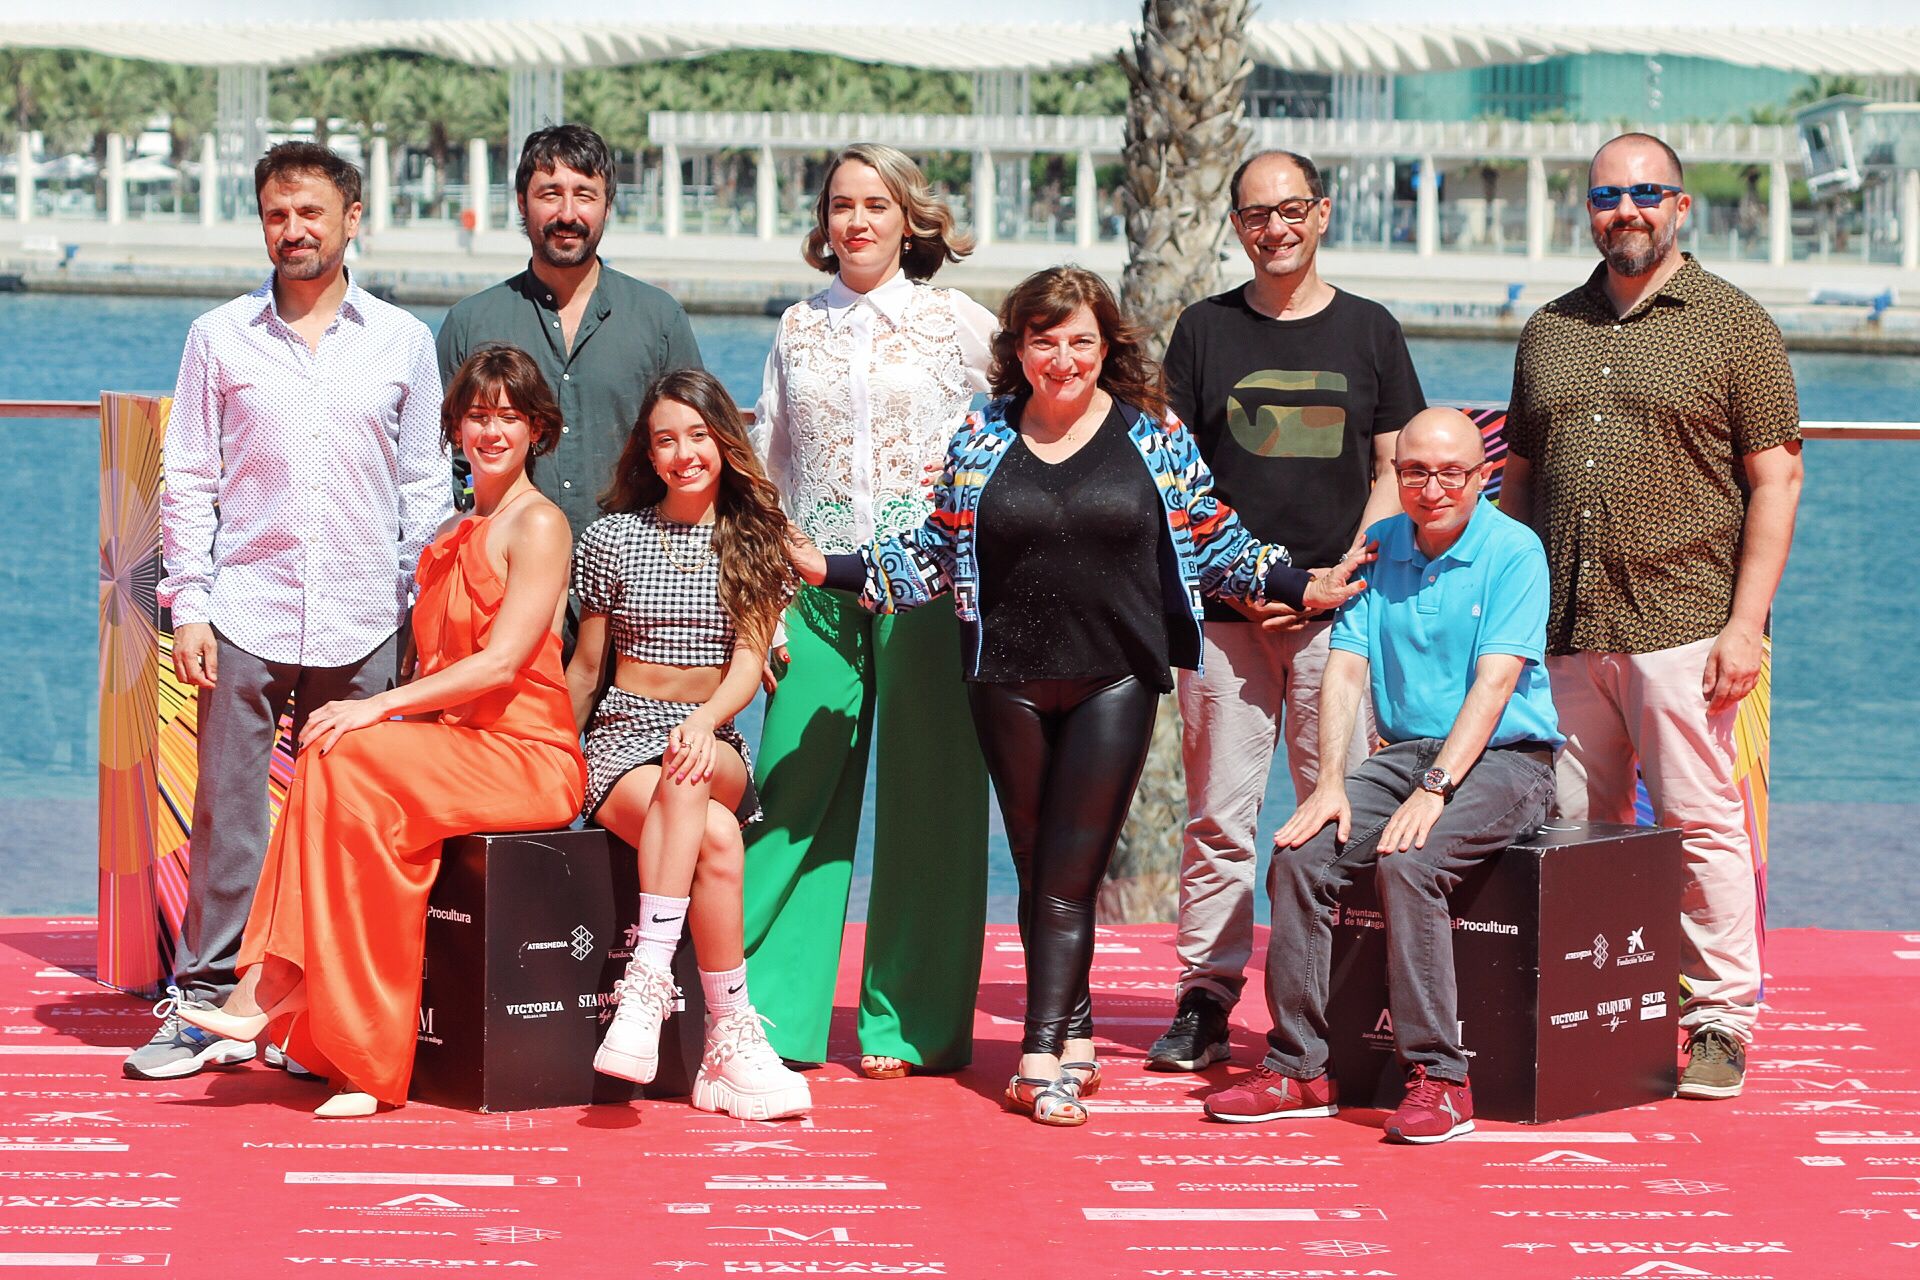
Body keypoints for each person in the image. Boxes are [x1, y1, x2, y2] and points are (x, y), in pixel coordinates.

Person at [786, 267, 1367, 1128]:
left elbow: (1212, 534)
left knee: (1068, 874)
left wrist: (1299, 583)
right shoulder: (981, 432)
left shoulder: (1153, 433)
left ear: (1108, 348)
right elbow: (933, 552)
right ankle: (1081, 1029)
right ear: (1019, 348)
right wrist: (826, 567)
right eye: (1045, 340)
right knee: (1036, 866)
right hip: (1005, 680)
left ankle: (1037, 1059)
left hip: (1116, 676)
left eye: (1081, 342)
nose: (1064, 359)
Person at [174, 347, 587, 1117]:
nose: (490, 431)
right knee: (333, 755)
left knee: (352, 740)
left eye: (508, 416)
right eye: (476, 414)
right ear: (455, 425)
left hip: (528, 755)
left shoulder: (539, 523)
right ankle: (336, 1036)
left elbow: (501, 666)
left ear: (538, 427)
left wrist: (378, 705)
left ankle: (283, 990)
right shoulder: (456, 528)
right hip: (458, 748)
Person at [128, 142, 451, 1083]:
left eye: (311, 212)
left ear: (353, 219)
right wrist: (189, 604)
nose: (293, 231)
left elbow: (427, 491)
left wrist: (416, 613)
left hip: (368, 617)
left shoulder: (402, 342)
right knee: (228, 814)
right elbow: (187, 477)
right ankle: (198, 1005)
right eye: (277, 214)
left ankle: (319, 1022)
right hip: (246, 610)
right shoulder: (217, 338)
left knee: (351, 822)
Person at [1500, 133, 1802, 1101]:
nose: (1625, 210)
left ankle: (1719, 1017)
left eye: (1645, 193)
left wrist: (1746, 622)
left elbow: (1778, 475)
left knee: (1700, 822)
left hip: (1685, 622)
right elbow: (1516, 477)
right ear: (1587, 208)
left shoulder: (1734, 324)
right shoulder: (1549, 327)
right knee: (1574, 827)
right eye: (1607, 195)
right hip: (1566, 625)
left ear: (1680, 205)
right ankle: (1596, 1007)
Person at [1202, 408, 1559, 1144]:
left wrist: (1436, 792)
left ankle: (1442, 1079)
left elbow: (1495, 685)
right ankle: (1300, 1065)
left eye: (1451, 472)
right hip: (1403, 754)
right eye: (1416, 472)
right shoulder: (1380, 543)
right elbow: (1345, 664)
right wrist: (1331, 781)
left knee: (1411, 861)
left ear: (1483, 475)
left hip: (1506, 758)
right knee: (1299, 853)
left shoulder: (1515, 550)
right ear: (1395, 478)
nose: (1433, 488)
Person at [1152, 148, 1426, 1073]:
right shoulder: (1203, 331)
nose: (1276, 228)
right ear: (1237, 226)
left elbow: (1396, 469)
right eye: (1257, 214)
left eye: (1293, 209)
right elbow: (1174, 482)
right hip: (1226, 621)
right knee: (1218, 820)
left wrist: (1342, 573)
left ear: (1322, 214)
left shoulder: (1371, 332)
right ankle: (1205, 995)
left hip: (1337, 615)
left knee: (1338, 812)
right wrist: (1243, 583)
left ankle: (1338, 998)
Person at [743, 144, 995, 1080]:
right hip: (812, 587)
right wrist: (763, 602)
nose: (857, 222)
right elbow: (767, 469)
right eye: (842, 205)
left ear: (909, 219)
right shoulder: (796, 328)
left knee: (934, 800)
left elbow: (1022, 426)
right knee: (789, 789)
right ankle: (769, 1016)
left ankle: (909, 1023)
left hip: (924, 587)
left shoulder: (955, 322)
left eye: (876, 205)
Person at [567, 369, 811, 1121]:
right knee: (714, 841)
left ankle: (645, 982)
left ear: (724, 442)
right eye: (665, 440)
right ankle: (729, 1042)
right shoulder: (612, 536)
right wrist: (552, 753)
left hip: (714, 733)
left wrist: (704, 721)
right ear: (648, 451)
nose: (683, 454)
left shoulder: (758, 541)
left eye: (698, 436)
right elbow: (584, 667)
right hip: (620, 735)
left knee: (690, 767)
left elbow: (747, 664)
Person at [436, 123, 702, 542]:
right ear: (522, 203)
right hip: (504, 573)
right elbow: (447, 461)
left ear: (607, 206)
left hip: (632, 575)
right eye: (550, 194)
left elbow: (696, 445)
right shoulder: (470, 324)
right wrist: (472, 523)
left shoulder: (659, 319)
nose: (567, 214)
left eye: (584, 195)